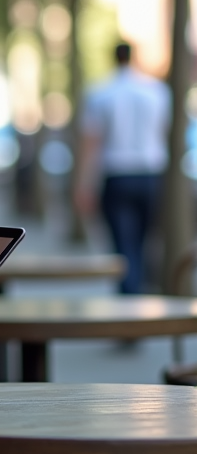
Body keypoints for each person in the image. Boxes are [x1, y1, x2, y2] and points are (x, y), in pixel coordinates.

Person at [77, 42, 170, 294]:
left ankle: (130, 299)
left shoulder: (100, 93)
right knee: (142, 241)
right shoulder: (158, 91)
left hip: (117, 175)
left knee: (122, 244)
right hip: (151, 174)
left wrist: (85, 185)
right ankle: (136, 294)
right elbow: (164, 133)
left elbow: (92, 143)